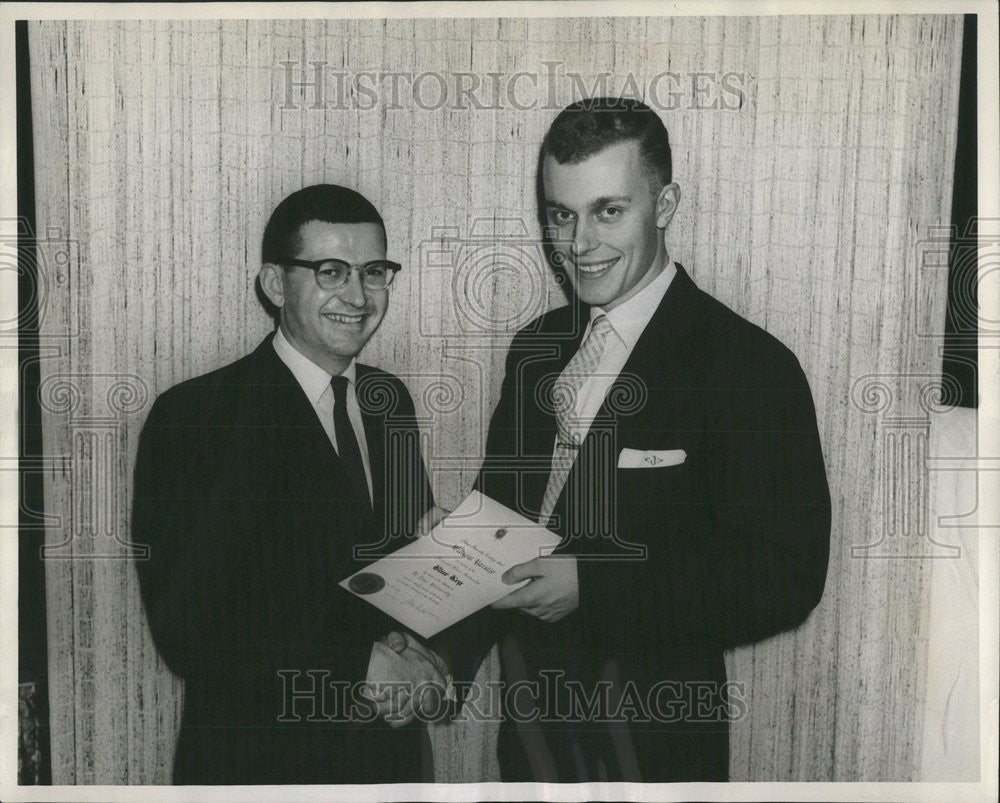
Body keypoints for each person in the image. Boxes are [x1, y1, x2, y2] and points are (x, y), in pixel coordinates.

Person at [463, 97, 831, 782]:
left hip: (656, 751)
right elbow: (504, 518)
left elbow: (785, 574)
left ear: (664, 205)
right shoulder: (536, 348)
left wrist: (593, 586)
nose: (579, 244)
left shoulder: (749, 366)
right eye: (560, 214)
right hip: (528, 742)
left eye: (609, 210)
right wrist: (441, 579)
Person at [132, 184, 450, 784]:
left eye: (374, 271)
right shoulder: (196, 415)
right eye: (331, 271)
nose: (357, 296)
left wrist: (440, 559)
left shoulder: (390, 403)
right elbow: (189, 629)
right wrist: (356, 666)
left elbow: (385, 584)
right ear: (275, 284)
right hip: (260, 765)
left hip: (389, 764)